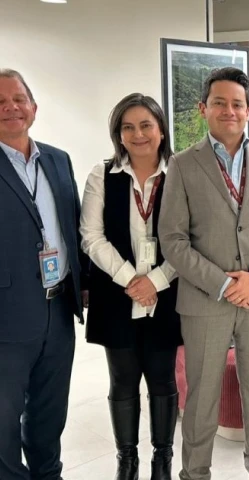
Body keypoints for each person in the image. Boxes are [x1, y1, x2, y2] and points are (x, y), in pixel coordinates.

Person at [159, 67, 249, 480]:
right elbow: (173, 240)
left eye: (237, 104)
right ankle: (195, 472)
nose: (229, 111)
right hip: (205, 300)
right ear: (203, 108)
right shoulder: (182, 165)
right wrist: (222, 283)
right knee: (202, 396)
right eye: (219, 103)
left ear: (248, 110)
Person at [80, 93, 182, 480]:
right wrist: (131, 280)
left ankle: (162, 460)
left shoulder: (182, 174)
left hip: (167, 294)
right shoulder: (102, 174)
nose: (138, 134)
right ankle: (127, 460)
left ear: (161, 130)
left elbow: (193, 238)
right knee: (122, 380)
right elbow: (91, 236)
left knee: (162, 379)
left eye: (145, 125)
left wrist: (156, 280)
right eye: (128, 127)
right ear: (118, 134)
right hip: (116, 295)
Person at [0, 68, 88, 480]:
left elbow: (73, 226)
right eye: (0, 102)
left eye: (18, 99)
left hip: (58, 311)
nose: (11, 108)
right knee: (3, 423)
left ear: (33, 108)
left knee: (49, 414)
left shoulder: (57, 159)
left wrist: (83, 284)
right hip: (7, 318)